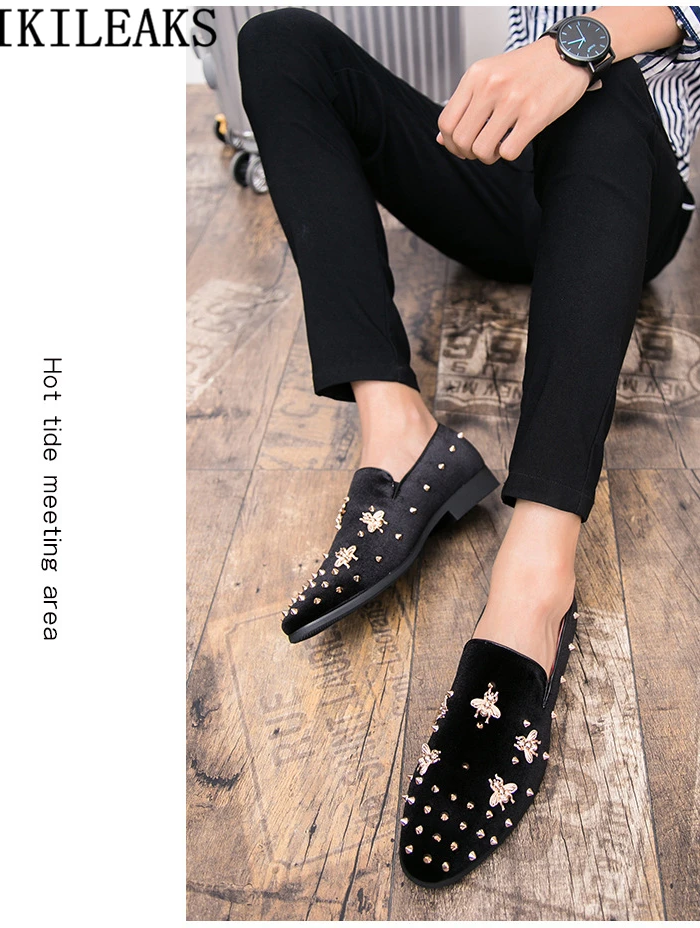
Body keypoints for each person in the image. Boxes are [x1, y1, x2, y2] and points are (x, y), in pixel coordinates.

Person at [237, 5, 699, 886]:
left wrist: (577, 46)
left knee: (601, 91)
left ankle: (534, 580)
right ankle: (399, 431)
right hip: (508, 174)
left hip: (630, 186)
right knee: (278, 42)